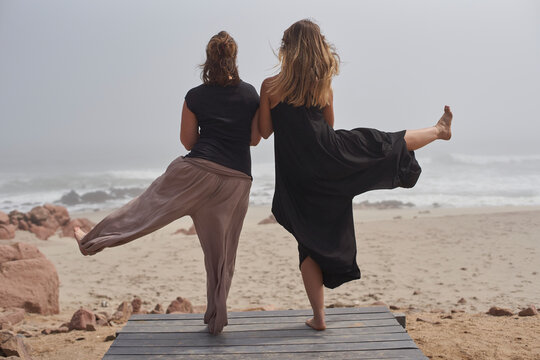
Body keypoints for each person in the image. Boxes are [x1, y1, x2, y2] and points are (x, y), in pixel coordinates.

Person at [258, 19, 452, 331]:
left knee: (306, 242)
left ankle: (319, 318)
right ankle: (438, 130)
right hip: (331, 157)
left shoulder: (270, 87)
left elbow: (264, 132)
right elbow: (329, 126)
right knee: (385, 144)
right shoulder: (322, 86)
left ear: (288, 50)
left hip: (297, 178)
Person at [73, 31, 261, 335]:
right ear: (234, 57)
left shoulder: (195, 96)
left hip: (197, 171)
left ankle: (90, 240)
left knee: (143, 211)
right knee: (222, 253)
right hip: (237, 180)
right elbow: (253, 139)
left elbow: (188, 140)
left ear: (209, 59)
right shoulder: (251, 94)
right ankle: (216, 319)